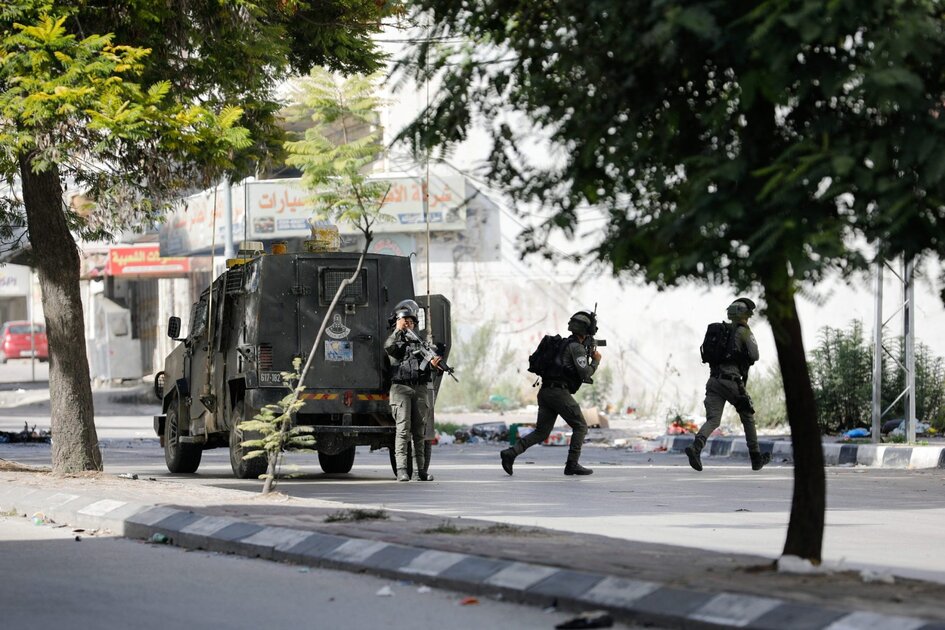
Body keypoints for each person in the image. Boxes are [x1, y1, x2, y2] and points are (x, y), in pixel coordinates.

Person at [500, 310, 602, 476]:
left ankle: (511, 453)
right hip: (558, 393)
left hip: (546, 391)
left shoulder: (561, 345)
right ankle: (572, 464)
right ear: (587, 330)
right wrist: (596, 361)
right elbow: (585, 374)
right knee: (581, 426)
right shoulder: (576, 348)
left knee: (541, 432)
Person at [685, 297, 771, 472]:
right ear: (745, 315)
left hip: (713, 381)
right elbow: (755, 356)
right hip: (731, 381)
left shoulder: (720, 330)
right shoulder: (744, 331)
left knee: (713, 420)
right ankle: (755, 457)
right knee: (747, 414)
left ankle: (696, 448)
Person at [385, 299, 442, 482]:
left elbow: (430, 367)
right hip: (401, 388)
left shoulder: (422, 344)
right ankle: (402, 469)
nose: (409, 324)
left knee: (419, 432)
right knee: (403, 430)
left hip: (419, 389)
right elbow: (389, 347)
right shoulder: (395, 341)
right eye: (405, 321)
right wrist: (398, 330)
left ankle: (419, 471)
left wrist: (434, 364)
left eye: (411, 322)